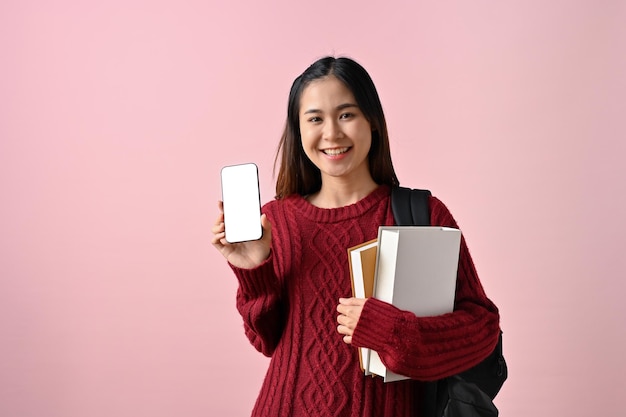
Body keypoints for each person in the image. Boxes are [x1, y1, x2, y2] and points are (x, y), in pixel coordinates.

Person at [211, 56, 500, 417]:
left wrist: (393, 332)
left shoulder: (422, 215)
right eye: (315, 119)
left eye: (346, 114)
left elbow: (482, 329)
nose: (331, 133)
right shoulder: (276, 220)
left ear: (372, 122)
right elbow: (266, 340)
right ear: (298, 130)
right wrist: (256, 270)